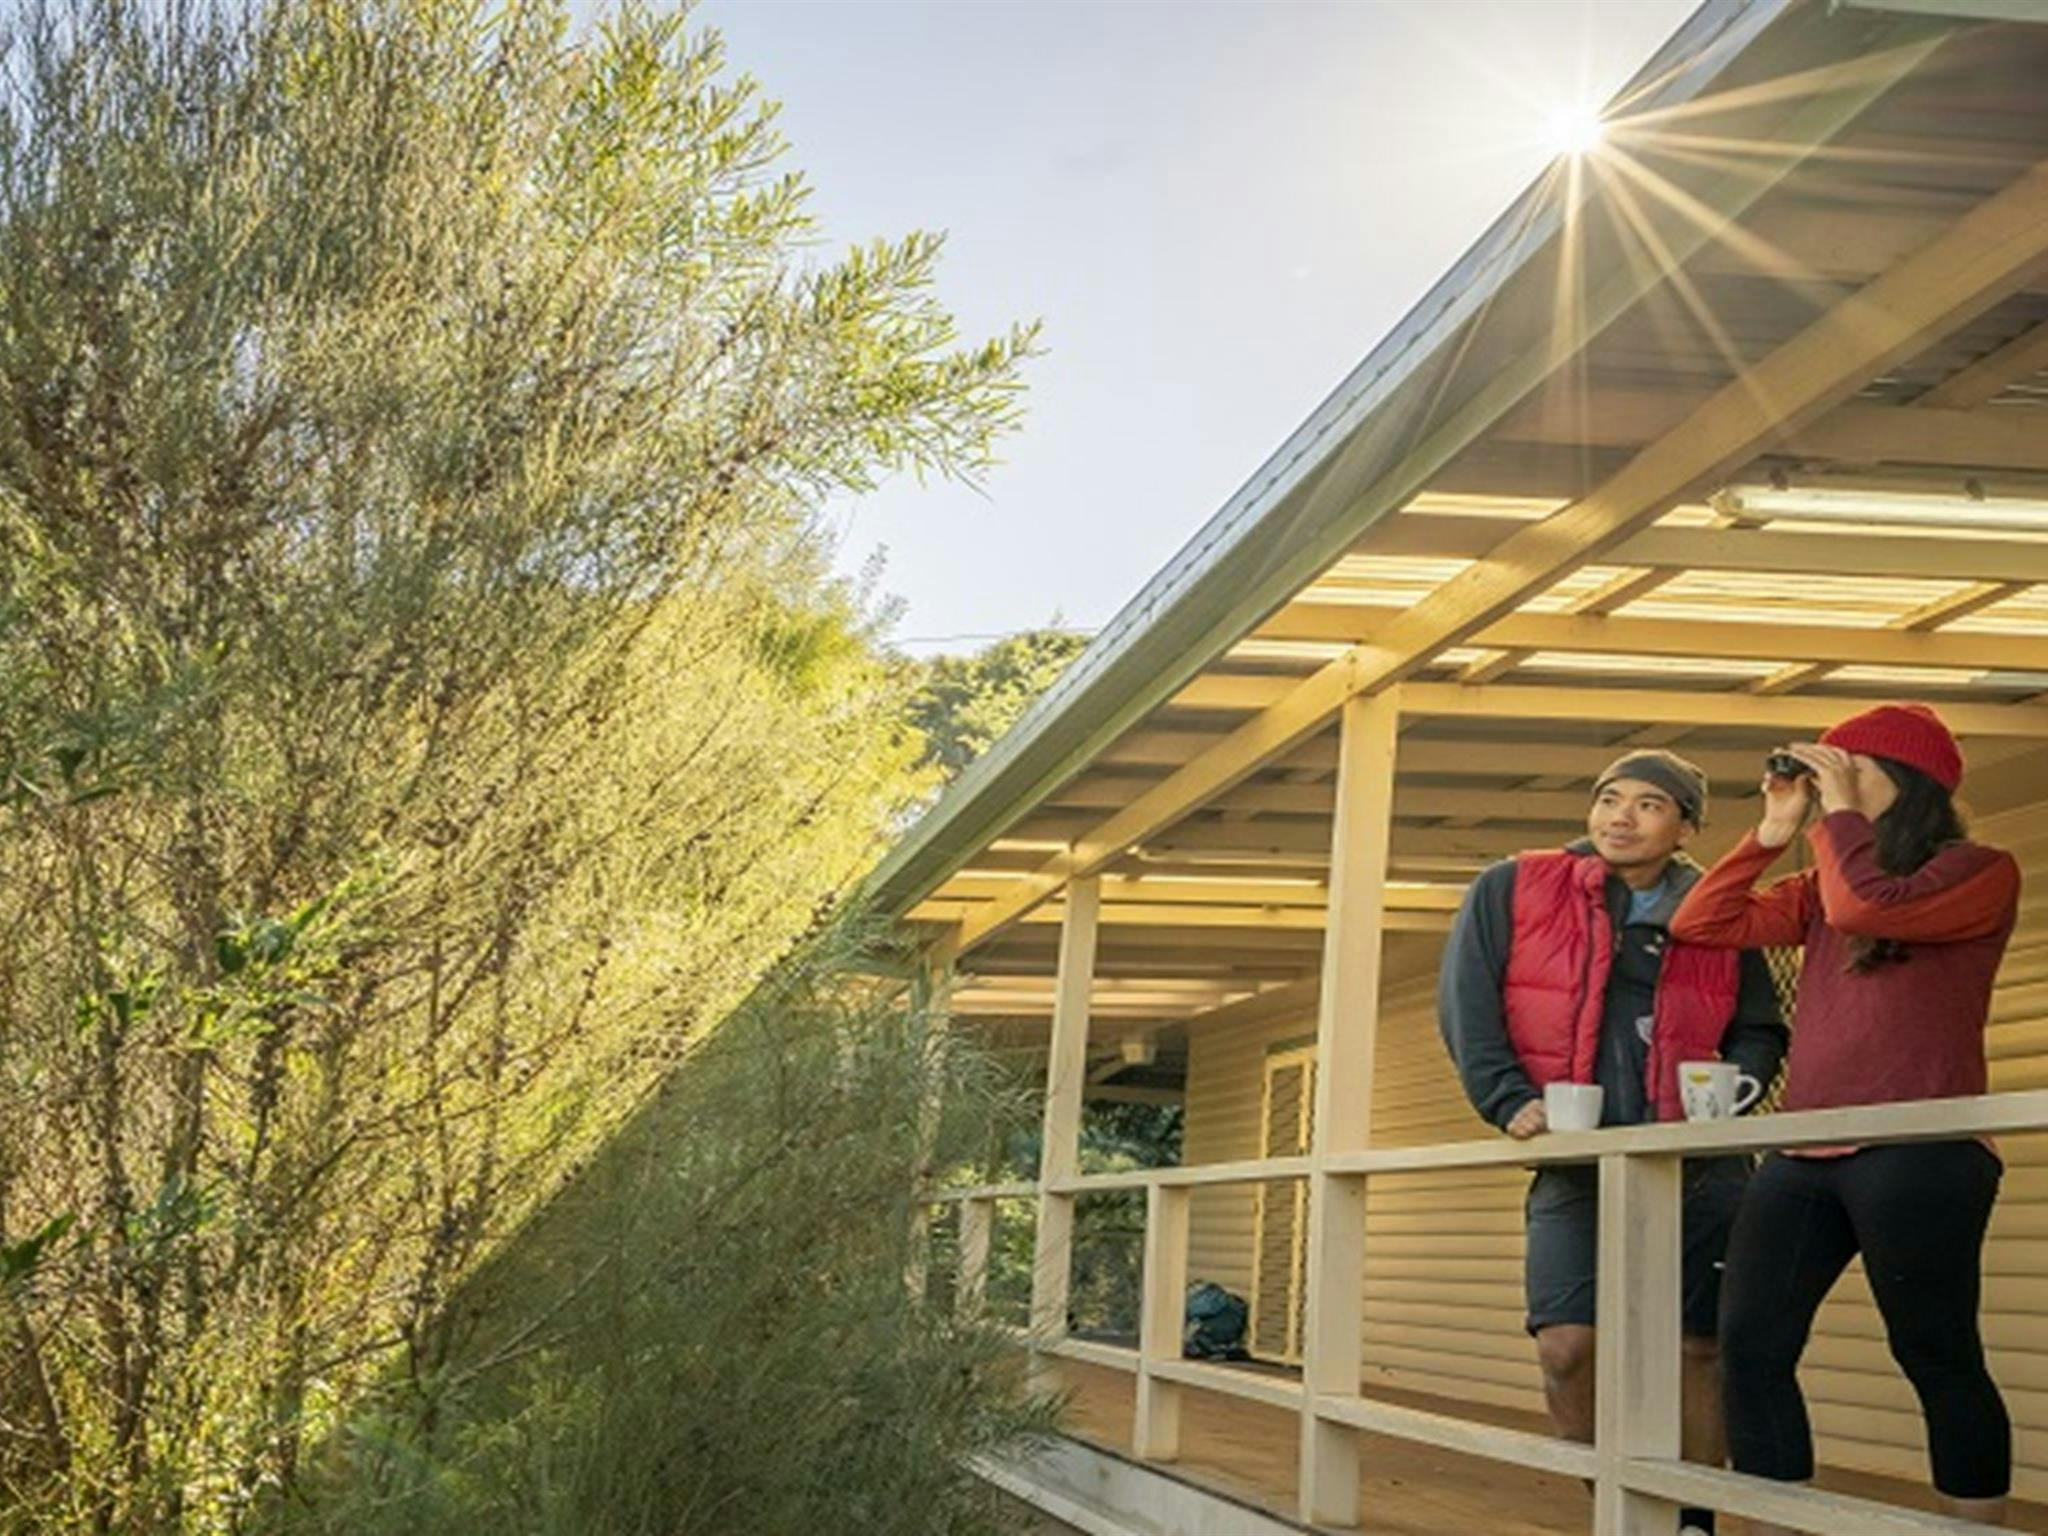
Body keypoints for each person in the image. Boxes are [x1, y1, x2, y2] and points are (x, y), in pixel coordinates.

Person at [1670, 702, 2021, 1532]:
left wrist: (1839, 824)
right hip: (1803, 1151)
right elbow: (1701, 924)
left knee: (1934, 1354)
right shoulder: (1827, 878)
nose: (1828, 786)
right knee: (1749, 1351)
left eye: (1843, 768)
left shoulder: (1978, 868)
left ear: (1904, 779)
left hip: (1922, 1149)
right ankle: (1776, 1520)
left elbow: (1872, 908)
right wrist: (1769, 829)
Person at [1440, 749, 1788, 1536]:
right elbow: (1466, 998)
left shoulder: (1719, 907)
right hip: (1574, 1158)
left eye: (1648, 805)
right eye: (1607, 799)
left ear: (1685, 826)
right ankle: (1622, 1513)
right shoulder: (1515, 887)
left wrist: (1735, 1092)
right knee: (1567, 1346)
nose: (1620, 818)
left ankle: (1693, 1522)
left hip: (1701, 1162)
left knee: (1698, 1349)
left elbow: (1761, 1028)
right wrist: (1506, 1099)